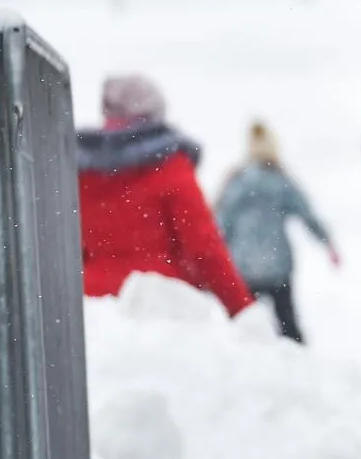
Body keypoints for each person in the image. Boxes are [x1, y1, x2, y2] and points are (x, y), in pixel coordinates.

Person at [76, 74, 254, 316]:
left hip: (94, 308)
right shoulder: (169, 165)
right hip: (160, 306)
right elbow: (204, 248)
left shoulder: (82, 171)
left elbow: (71, 247)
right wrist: (242, 309)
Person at [215, 121, 339, 342]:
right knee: (288, 324)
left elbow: (222, 224)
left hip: (244, 266)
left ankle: (243, 365)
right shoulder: (281, 181)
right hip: (277, 266)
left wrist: (213, 257)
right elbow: (307, 213)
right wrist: (327, 242)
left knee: (245, 325)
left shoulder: (237, 181)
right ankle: (300, 366)